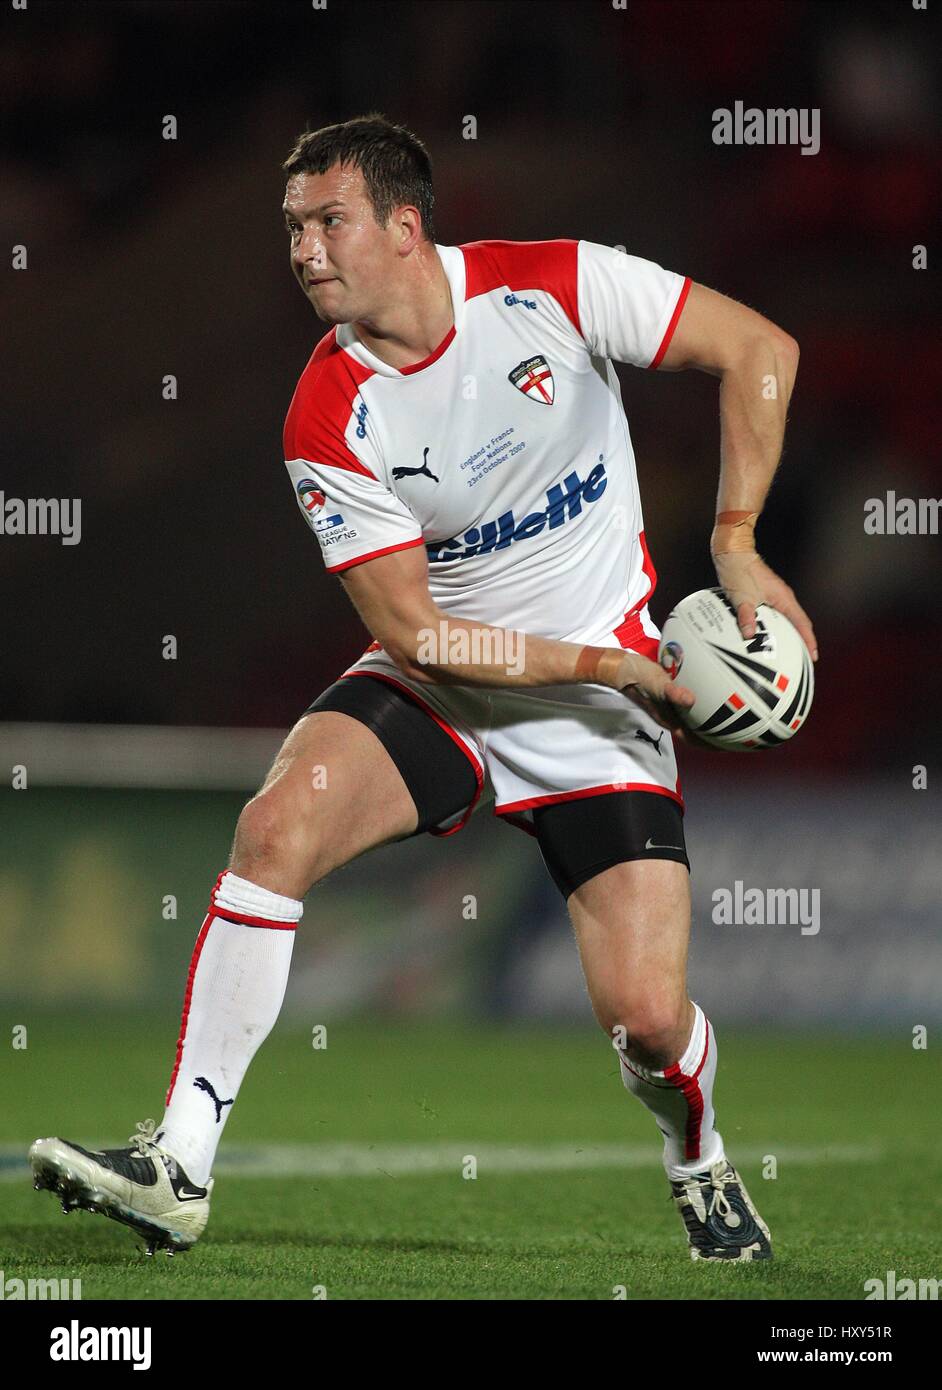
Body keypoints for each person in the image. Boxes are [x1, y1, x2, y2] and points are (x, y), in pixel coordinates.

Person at [30, 113, 817, 1262]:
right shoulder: (326, 412)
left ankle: (696, 1158)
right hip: (463, 678)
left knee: (649, 1023)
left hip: (601, 716)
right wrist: (612, 662)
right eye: (291, 228)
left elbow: (764, 352)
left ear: (405, 227)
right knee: (276, 825)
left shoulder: (553, 288)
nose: (303, 250)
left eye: (327, 221)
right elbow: (422, 634)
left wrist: (737, 545)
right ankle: (180, 1159)